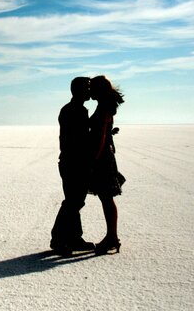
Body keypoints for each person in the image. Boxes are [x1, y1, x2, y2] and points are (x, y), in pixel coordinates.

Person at [50, 77, 95, 255]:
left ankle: (74, 238)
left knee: (75, 201)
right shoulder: (74, 110)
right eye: (87, 88)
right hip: (73, 162)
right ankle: (59, 239)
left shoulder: (74, 109)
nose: (90, 91)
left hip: (73, 161)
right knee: (73, 202)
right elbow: (78, 139)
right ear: (78, 90)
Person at [89, 75, 125, 254]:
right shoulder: (105, 105)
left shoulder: (103, 107)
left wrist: (94, 159)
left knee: (106, 197)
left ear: (98, 90)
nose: (89, 91)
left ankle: (112, 237)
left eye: (91, 87)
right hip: (104, 155)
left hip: (102, 158)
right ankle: (112, 236)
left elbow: (101, 135)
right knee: (106, 197)